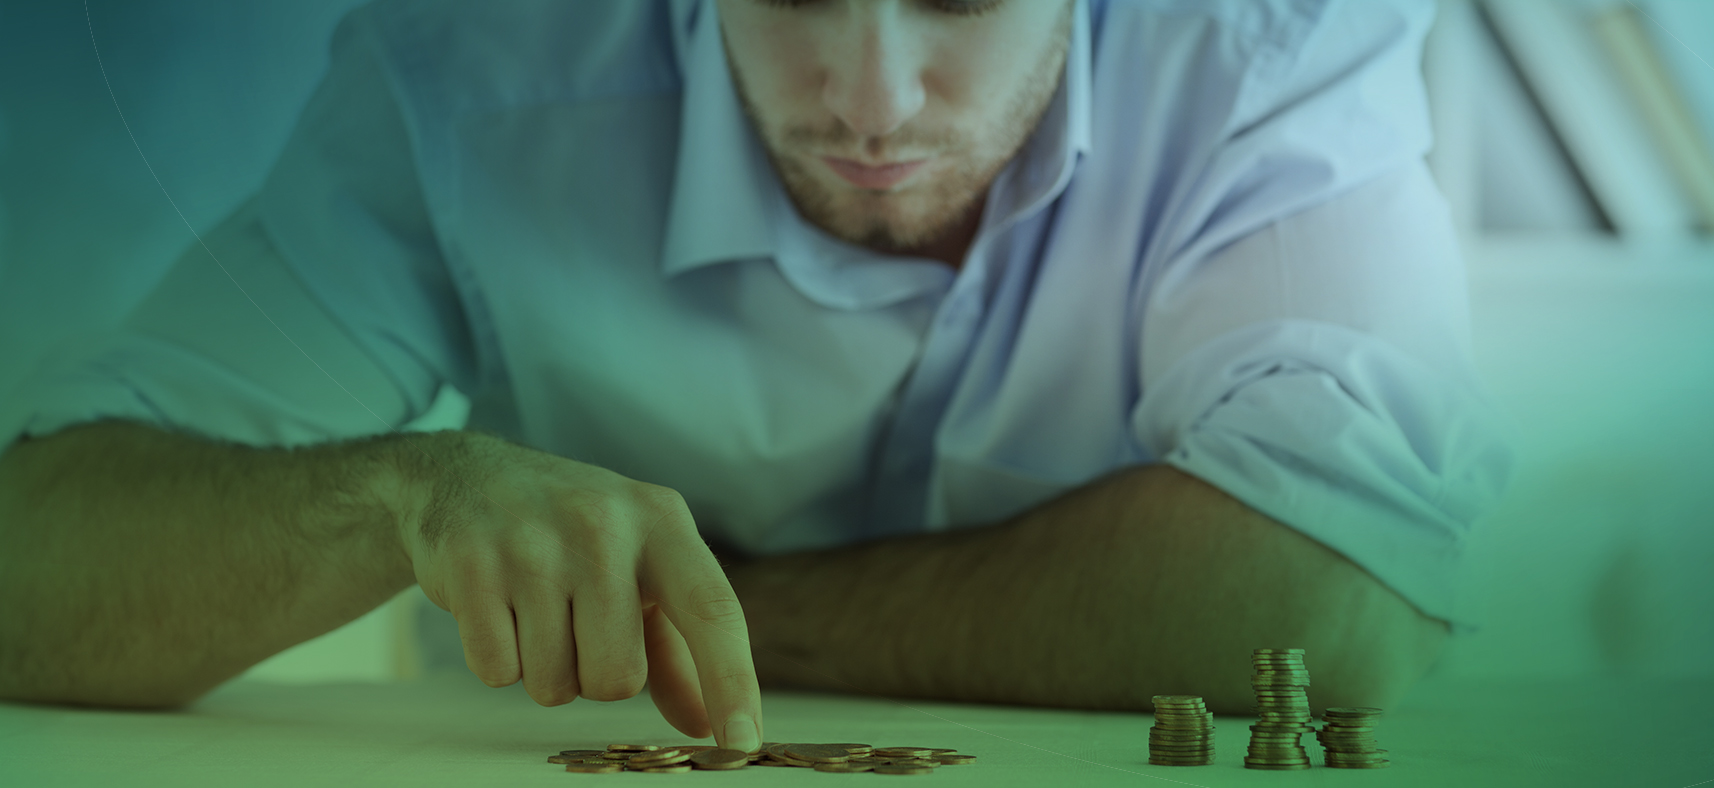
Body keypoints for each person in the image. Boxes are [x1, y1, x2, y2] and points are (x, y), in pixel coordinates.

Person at [0, 0, 1513, 756]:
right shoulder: (471, 67)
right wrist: (406, 495)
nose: (871, 101)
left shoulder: (1277, 44)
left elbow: (1334, 588)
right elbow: (32, 565)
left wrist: (701, 618)